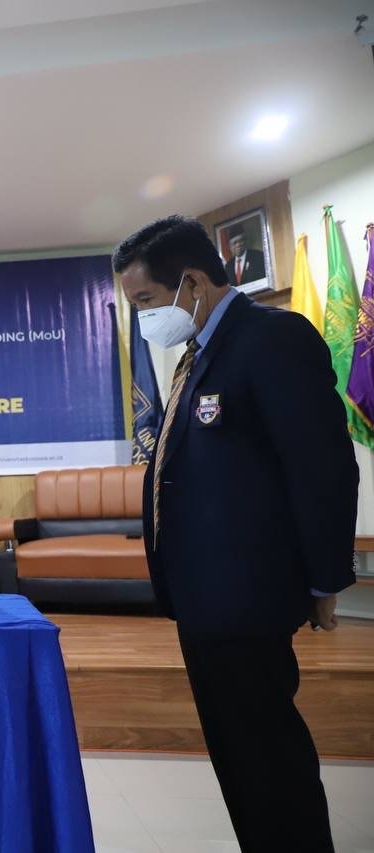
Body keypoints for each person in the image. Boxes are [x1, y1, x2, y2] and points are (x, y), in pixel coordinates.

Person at [115, 215, 358, 852]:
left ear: (192, 282)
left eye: (145, 300)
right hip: (203, 599)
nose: (143, 317)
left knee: (268, 755)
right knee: (237, 755)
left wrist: (324, 579)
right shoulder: (199, 354)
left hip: (248, 596)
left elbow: (322, 466)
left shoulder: (270, 339)